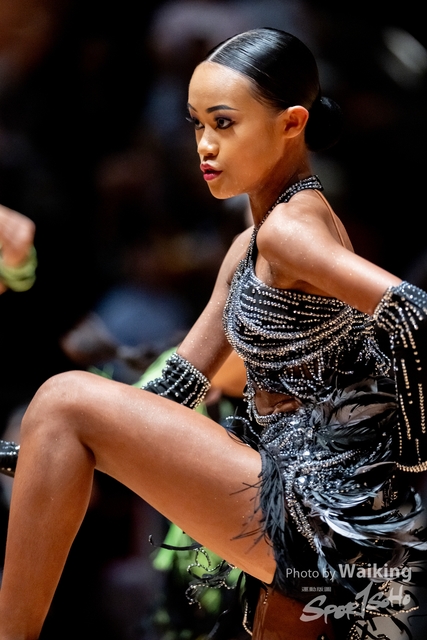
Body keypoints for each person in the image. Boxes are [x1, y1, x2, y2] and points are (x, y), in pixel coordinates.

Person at [0, 27, 426, 640]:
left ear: (291, 123)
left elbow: (414, 314)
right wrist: (43, 453)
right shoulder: (251, 242)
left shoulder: (290, 232)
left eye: (224, 123)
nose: (204, 145)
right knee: (62, 412)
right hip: (289, 495)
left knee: (64, 396)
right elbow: (177, 387)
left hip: (316, 508)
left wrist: (408, 466)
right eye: (197, 124)